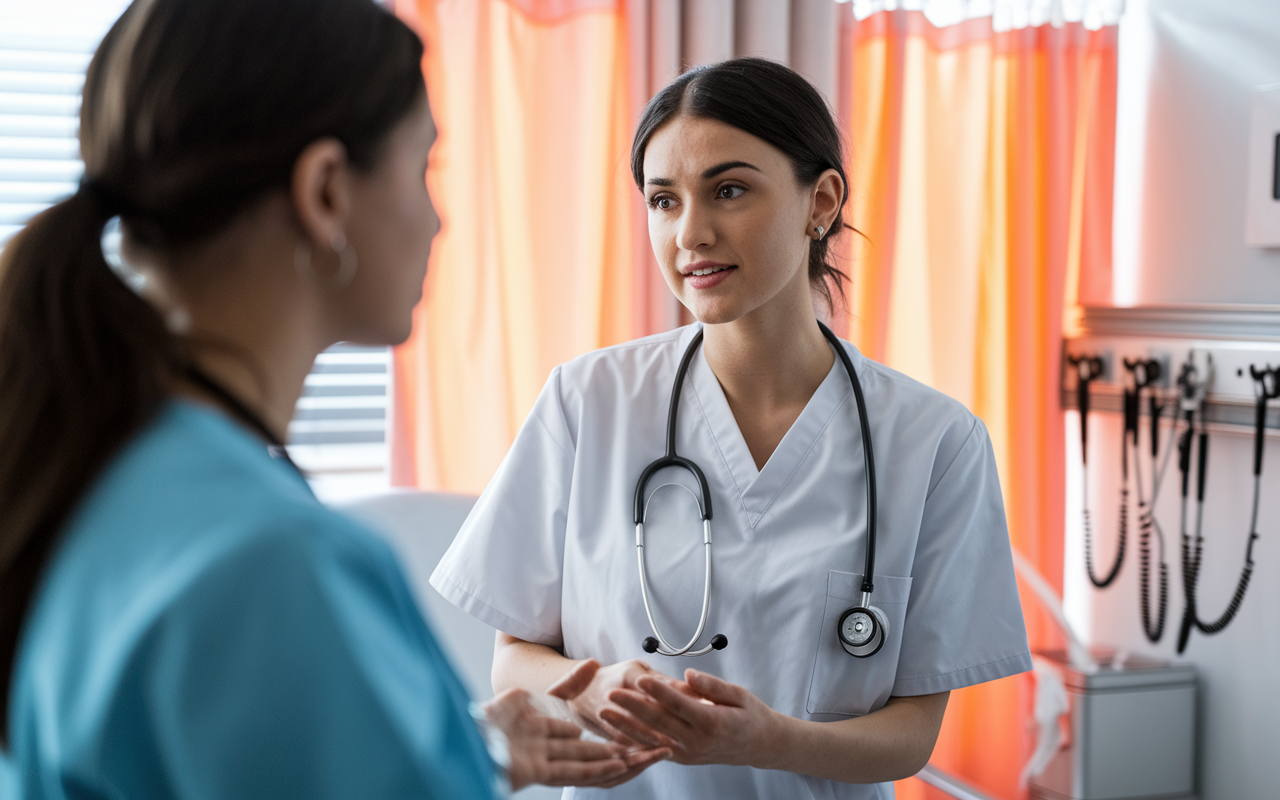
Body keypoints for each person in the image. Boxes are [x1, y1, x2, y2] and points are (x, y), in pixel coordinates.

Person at [0, 0, 669, 796]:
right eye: (424, 168)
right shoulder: (274, 564)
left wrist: (469, 752)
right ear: (324, 192)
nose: (437, 219)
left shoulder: (78, 465)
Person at [430, 58, 1034, 798]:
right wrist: (589, 689)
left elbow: (910, 734)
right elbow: (513, 656)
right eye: (663, 200)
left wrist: (767, 740)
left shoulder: (935, 442)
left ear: (822, 202)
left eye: (729, 190)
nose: (691, 233)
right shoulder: (589, 400)